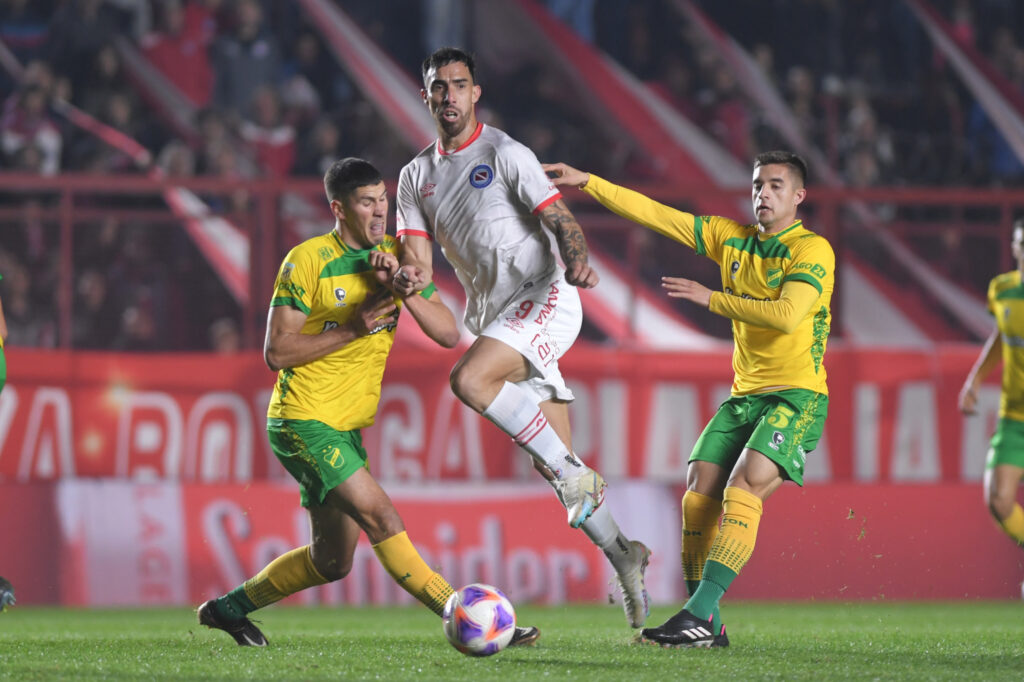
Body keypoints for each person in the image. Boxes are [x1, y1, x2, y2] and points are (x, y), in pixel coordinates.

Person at [197, 157, 539, 647]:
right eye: (366, 202)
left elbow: (447, 334)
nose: (380, 211)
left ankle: (227, 610)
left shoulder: (399, 253)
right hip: (302, 418)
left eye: (384, 199)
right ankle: (466, 615)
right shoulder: (307, 260)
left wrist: (406, 285)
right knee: (383, 517)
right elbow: (277, 352)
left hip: (346, 426)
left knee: (332, 562)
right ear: (339, 208)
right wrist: (354, 327)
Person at [392, 47, 651, 629]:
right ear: (426, 96)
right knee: (557, 470)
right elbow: (417, 260)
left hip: (547, 292)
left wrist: (579, 261)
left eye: (459, 85)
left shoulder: (506, 153)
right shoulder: (414, 178)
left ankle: (576, 477)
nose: (449, 96)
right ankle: (625, 555)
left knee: (470, 379)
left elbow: (561, 221)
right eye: (439, 87)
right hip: (497, 316)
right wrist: (407, 277)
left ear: (475, 93)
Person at [545, 151, 834, 647]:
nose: (763, 193)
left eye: (776, 186)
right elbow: (658, 214)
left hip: (798, 394)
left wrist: (711, 298)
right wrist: (588, 181)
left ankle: (696, 614)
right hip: (745, 396)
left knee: (743, 486)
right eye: (758, 184)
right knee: (698, 489)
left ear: (798, 196)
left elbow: (788, 315)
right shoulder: (732, 239)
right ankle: (709, 625)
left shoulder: (812, 250)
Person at [959, 218, 1024, 569]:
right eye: (1023, 245)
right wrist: (976, 379)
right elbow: (1003, 336)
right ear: (1015, 249)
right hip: (1015, 418)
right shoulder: (1002, 290)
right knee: (998, 499)